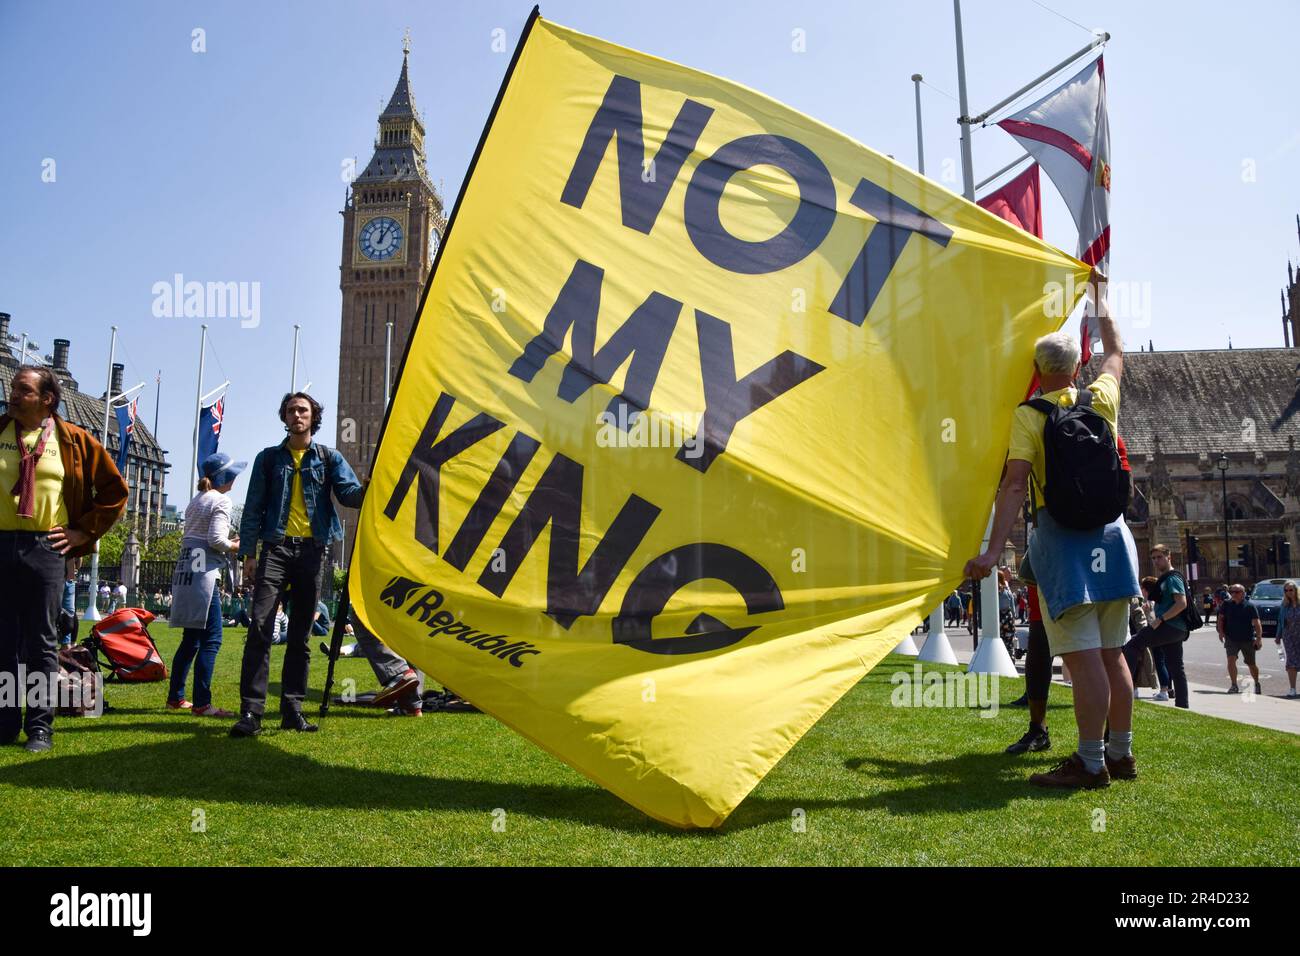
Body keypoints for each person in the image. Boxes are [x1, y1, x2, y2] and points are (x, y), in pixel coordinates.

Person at [965, 269, 1139, 789]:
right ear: (1077, 365)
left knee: (1082, 660)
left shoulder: (1030, 414)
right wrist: (1098, 296)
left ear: (1036, 371)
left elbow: (1015, 485)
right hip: (1114, 535)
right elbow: (1116, 349)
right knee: (1113, 655)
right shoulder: (1102, 398)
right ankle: (1121, 754)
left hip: (1063, 540)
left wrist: (994, 550)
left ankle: (1088, 763)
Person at [0, 366, 127, 752]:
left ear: (46, 399)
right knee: (3, 640)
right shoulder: (0, 430)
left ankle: (40, 728)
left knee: (41, 640)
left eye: (23, 390)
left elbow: (114, 491)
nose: (14, 394)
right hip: (2, 544)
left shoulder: (74, 441)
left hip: (47, 548)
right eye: (13, 388)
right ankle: (5, 722)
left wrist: (83, 532)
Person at [232, 392, 366, 737]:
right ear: (285, 417)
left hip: (312, 551)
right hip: (275, 549)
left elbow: (350, 495)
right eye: (291, 410)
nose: (296, 415)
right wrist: (249, 554)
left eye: (302, 410)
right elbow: (253, 509)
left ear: (313, 417)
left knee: (301, 635)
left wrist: (372, 486)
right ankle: (251, 712)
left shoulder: (328, 458)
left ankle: (292, 709)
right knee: (260, 627)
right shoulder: (268, 460)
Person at [167, 452, 246, 718]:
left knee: (191, 640)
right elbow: (215, 540)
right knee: (212, 638)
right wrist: (235, 545)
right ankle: (203, 703)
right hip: (205, 575)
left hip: (187, 571)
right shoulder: (221, 500)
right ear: (226, 476)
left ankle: (176, 697)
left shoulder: (196, 500)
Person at [1120, 555, 1189, 708]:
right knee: (1177, 667)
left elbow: (1181, 603)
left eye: (1159, 557)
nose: (1155, 561)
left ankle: (1124, 689)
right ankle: (1183, 705)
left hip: (1169, 626)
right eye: (1152, 558)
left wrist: (1161, 619)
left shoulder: (1172, 578)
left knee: (1132, 645)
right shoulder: (1166, 578)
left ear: (1169, 557)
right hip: (1176, 629)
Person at [1218, 583, 1262, 694]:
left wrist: (1258, 638)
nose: (1233, 594)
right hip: (1231, 638)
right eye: (1231, 592)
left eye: (1236, 592)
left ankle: (1256, 683)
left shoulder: (1250, 606)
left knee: (1251, 664)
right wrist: (1221, 632)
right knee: (1231, 660)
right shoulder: (1226, 604)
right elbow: (1221, 619)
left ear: (1242, 593)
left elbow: (1257, 623)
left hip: (1247, 639)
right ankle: (1234, 685)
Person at [1275, 580, 1300, 699]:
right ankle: (1292, 688)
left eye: (1291, 590)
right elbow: (1280, 621)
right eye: (1286, 590)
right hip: (1288, 635)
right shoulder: (1284, 605)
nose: (1289, 592)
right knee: (1291, 661)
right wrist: (1278, 635)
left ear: (1296, 590)